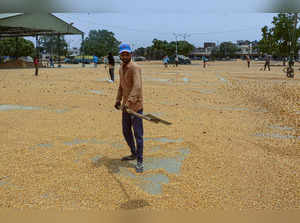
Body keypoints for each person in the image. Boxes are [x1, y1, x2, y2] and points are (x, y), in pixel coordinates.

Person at [114, 43, 144, 173]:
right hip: (126, 107)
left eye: (127, 54)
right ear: (120, 55)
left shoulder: (135, 68)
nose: (125, 56)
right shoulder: (121, 68)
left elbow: (137, 86)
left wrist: (130, 101)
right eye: (122, 54)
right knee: (126, 131)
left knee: (138, 134)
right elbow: (121, 86)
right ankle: (133, 153)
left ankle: (140, 161)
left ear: (131, 54)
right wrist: (118, 100)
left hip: (135, 107)